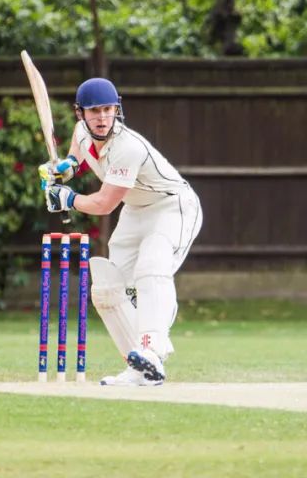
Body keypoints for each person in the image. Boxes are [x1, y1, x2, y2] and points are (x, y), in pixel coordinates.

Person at [40, 78, 203, 387]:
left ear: (117, 109)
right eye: (94, 111)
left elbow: (103, 204)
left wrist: (67, 199)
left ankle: (153, 349)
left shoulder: (128, 147)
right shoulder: (80, 132)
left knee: (152, 265)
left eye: (108, 109)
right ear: (80, 114)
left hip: (171, 206)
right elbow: (77, 155)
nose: (102, 118)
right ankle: (141, 367)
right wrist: (66, 168)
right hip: (136, 209)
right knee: (107, 288)